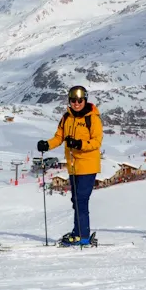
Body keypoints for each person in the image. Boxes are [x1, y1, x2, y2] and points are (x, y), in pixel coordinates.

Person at [37, 85, 103, 246]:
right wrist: (47, 144)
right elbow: (59, 137)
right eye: (73, 100)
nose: (76, 103)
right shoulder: (66, 118)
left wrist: (79, 144)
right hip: (73, 166)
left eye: (79, 100)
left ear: (85, 100)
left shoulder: (92, 118)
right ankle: (78, 231)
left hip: (88, 165)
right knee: (76, 200)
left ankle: (83, 235)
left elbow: (96, 142)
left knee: (81, 200)